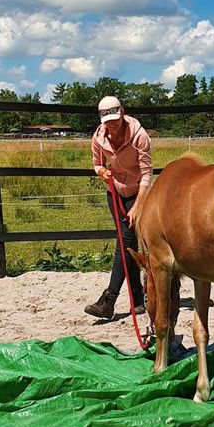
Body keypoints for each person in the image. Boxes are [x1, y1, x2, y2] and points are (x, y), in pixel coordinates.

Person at [84, 95, 153, 320]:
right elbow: (96, 164)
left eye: (115, 118)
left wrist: (138, 206)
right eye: (108, 121)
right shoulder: (98, 137)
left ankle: (109, 300)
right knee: (128, 244)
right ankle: (137, 299)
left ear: (122, 112)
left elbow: (146, 174)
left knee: (124, 242)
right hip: (114, 192)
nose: (112, 124)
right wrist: (103, 172)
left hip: (136, 193)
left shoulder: (139, 136)